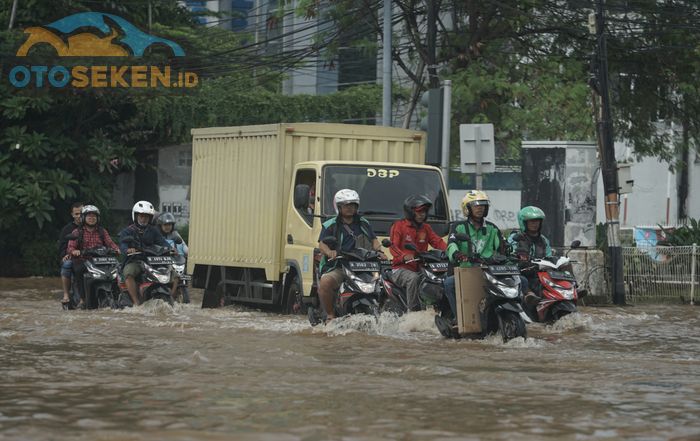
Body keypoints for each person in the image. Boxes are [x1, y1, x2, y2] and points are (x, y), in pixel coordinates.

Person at [436, 190, 505, 336]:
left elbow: (502, 250)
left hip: (489, 273)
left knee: (521, 281)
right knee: (449, 283)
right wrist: (458, 254)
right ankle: (460, 318)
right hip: (465, 272)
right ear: (467, 208)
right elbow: (451, 245)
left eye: (483, 205)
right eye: (476, 205)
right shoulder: (458, 227)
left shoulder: (493, 229)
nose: (480, 208)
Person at [317, 189, 387, 321]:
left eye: (353, 205)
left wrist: (380, 252)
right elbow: (322, 244)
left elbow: (374, 241)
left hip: (363, 266)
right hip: (339, 265)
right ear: (339, 207)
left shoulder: (363, 223)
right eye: (346, 205)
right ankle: (330, 315)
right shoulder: (330, 224)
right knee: (325, 283)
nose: (350, 208)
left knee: (384, 283)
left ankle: (382, 314)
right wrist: (329, 252)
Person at [389, 194, 447, 311]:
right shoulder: (399, 226)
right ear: (410, 212)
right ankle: (413, 312)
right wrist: (404, 256)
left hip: (421, 267)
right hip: (400, 269)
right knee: (413, 278)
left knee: (439, 278)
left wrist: (451, 251)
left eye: (424, 212)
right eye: (419, 212)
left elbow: (438, 242)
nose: (422, 215)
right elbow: (393, 247)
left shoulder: (426, 228)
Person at [118, 201, 173, 306]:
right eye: (142, 216)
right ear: (136, 216)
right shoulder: (128, 231)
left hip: (151, 261)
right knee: (128, 273)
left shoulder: (153, 230)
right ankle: (136, 301)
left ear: (150, 218)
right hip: (135, 260)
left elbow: (162, 242)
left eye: (147, 216)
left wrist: (170, 249)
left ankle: (174, 298)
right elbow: (122, 243)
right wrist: (127, 250)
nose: (144, 219)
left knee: (174, 274)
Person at [66, 205, 120, 308]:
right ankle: (82, 299)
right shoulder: (77, 232)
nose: (92, 218)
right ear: (83, 218)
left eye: (94, 216)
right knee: (78, 270)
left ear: (98, 218)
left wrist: (116, 249)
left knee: (117, 269)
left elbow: (110, 243)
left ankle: (117, 296)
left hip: (101, 261)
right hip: (84, 260)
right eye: (89, 216)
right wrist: (75, 251)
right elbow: (70, 247)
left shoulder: (102, 231)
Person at [507, 206, 552, 305]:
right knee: (523, 280)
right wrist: (519, 258)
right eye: (531, 221)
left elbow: (549, 256)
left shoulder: (544, 240)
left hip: (539, 272)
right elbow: (510, 253)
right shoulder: (515, 238)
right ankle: (529, 296)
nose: (535, 224)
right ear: (524, 223)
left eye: (537, 221)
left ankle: (571, 290)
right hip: (521, 272)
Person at [157, 212, 190, 303]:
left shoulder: (175, 235)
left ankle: (173, 294)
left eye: (170, 224)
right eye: (165, 225)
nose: (168, 227)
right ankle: (170, 295)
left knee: (182, 275)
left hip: (177, 261)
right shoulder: (157, 236)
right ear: (160, 225)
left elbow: (184, 246)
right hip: (162, 263)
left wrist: (190, 253)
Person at [58, 202, 83, 308]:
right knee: (67, 264)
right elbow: (62, 247)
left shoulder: (94, 227)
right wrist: (66, 254)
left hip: (91, 257)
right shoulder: (67, 229)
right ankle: (66, 294)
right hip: (73, 257)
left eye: (81, 213)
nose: (79, 216)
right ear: (72, 215)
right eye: (76, 214)